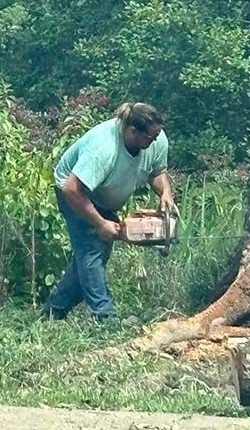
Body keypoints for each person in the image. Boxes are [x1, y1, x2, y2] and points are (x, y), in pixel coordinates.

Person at [40, 101, 175, 321]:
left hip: (105, 197)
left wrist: (165, 194)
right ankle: (104, 316)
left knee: (89, 258)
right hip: (76, 193)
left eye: (156, 136)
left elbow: (157, 172)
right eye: (150, 138)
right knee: (92, 251)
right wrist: (100, 223)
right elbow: (72, 189)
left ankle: (52, 313)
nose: (155, 141)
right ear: (132, 131)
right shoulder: (103, 149)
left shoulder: (156, 139)